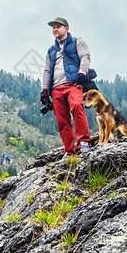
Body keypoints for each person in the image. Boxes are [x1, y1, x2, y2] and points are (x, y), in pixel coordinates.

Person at [41, 17, 91, 156]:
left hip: (73, 84)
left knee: (76, 106)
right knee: (62, 120)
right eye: (53, 27)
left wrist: (82, 73)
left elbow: (85, 57)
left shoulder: (77, 42)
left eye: (58, 26)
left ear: (66, 28)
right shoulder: (51, 50)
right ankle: (69, 151)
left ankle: (84, 142)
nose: (55, 29)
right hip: (56, 89)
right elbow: (46, 71)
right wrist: (44, 90)